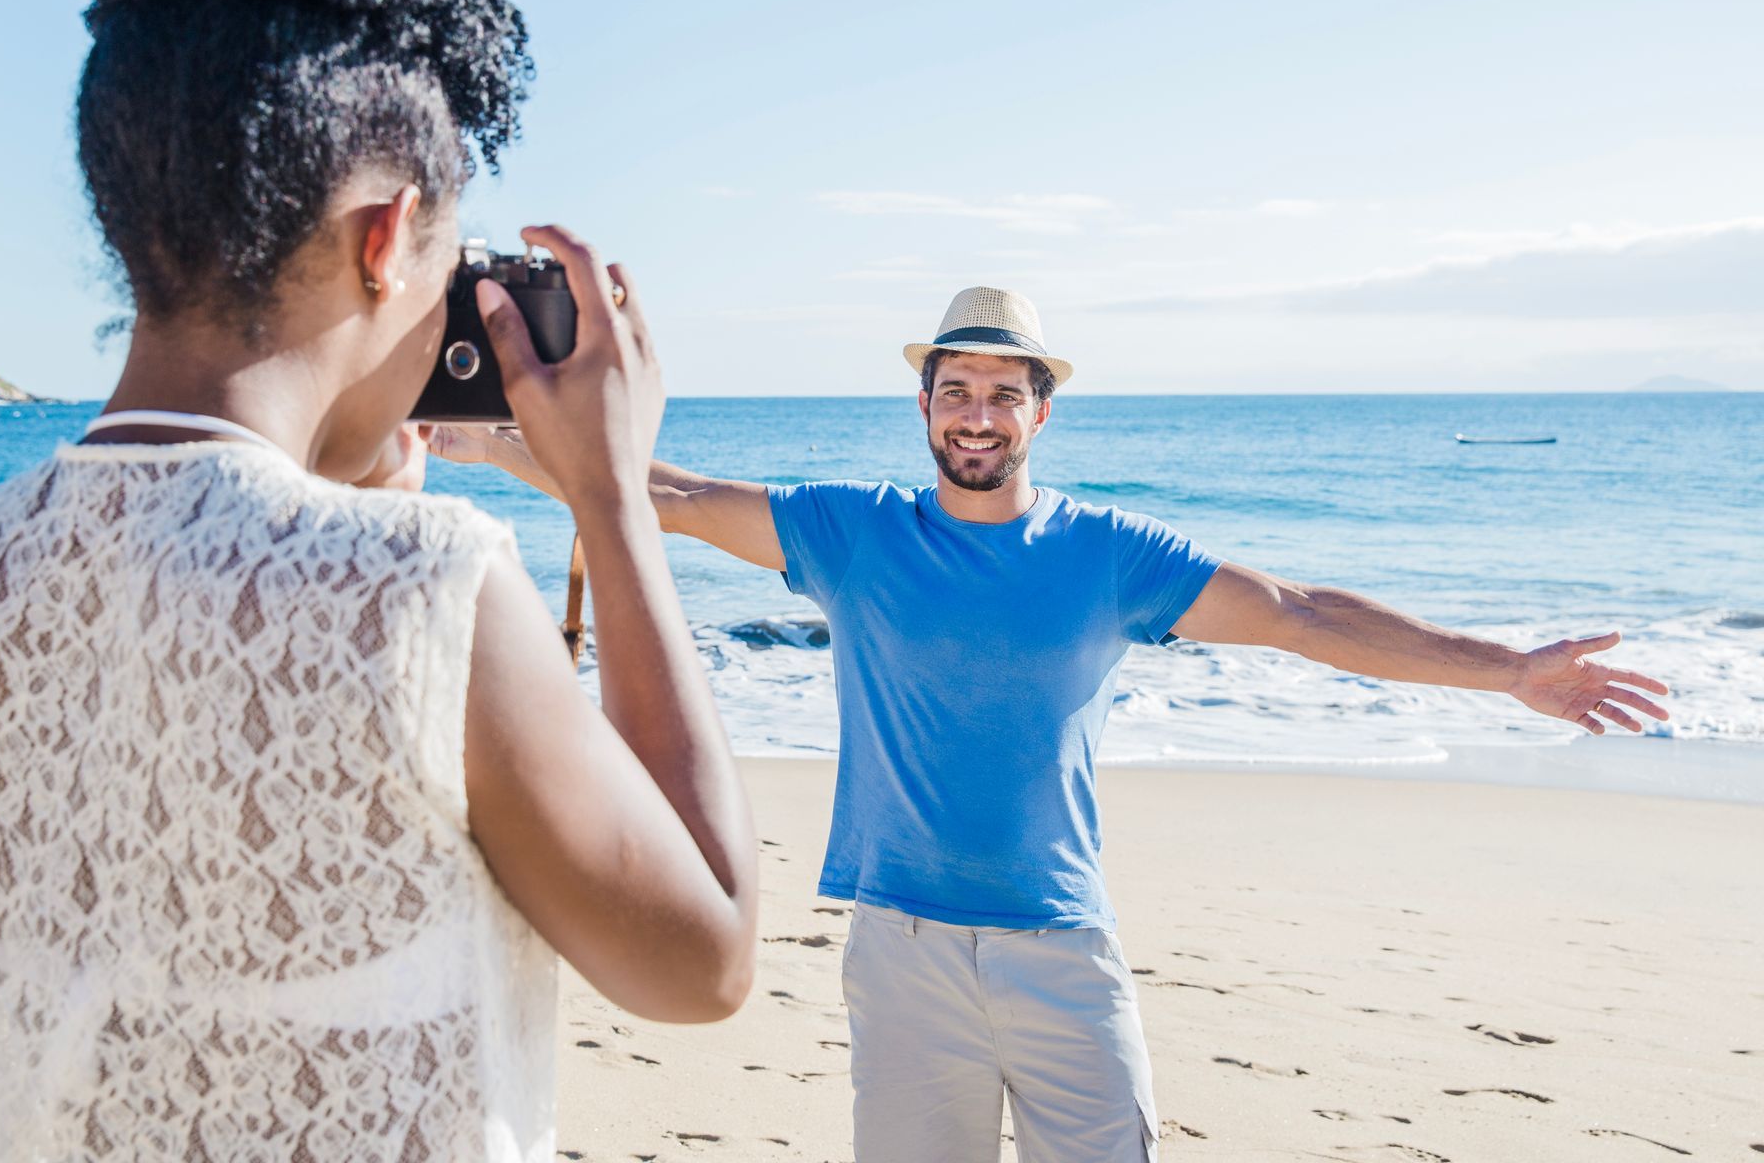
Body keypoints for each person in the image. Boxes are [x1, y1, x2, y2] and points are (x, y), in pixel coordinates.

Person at [0, 0, 757, 1159]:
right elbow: (705, 957)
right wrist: (613, 499)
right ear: (389, 237)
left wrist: (338, 504)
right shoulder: (427, 587)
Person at [438, 283, 1672, 1163]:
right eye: (956, 389)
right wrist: (488, 441)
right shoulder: (856, 532)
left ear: (1041, 415)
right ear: (924, 403)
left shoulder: (1110, 553)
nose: (978, 413)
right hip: (902, 949)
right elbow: (667, 493)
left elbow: (1300, 613)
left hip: (1063, 948)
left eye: (1004, 394)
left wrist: (1508, 669)